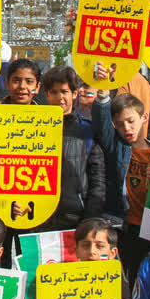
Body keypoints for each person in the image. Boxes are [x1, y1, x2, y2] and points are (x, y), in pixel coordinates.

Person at [92, 92, 150, 279]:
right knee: (124, 278)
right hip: (122, 226)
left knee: (148, 277)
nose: (126, 128)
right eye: (119, 124)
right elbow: (102, 123)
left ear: (144, 117)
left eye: (131, 121)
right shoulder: (116, 147)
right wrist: (103, 96)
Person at [36, 66, 105, 231]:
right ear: (46, 94)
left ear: (74, 94)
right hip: (39, 218)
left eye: (64, 91)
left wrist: (90, 217)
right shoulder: (34, 128)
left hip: (75, 218)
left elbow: (97, 177)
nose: (60, 97)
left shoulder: (86, 130)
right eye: (54, 92)